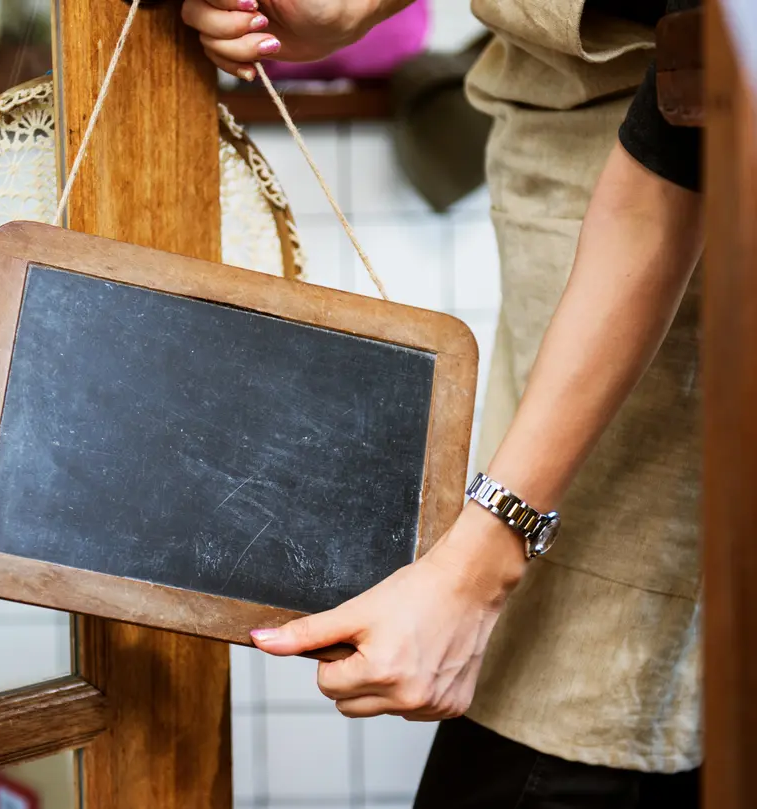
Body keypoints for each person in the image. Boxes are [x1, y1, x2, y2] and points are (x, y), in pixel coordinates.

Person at [180, 0, 703, 805]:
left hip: (672, 284)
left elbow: (673, 166)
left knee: (587, 707)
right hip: (585, 234)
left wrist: (482, 563)